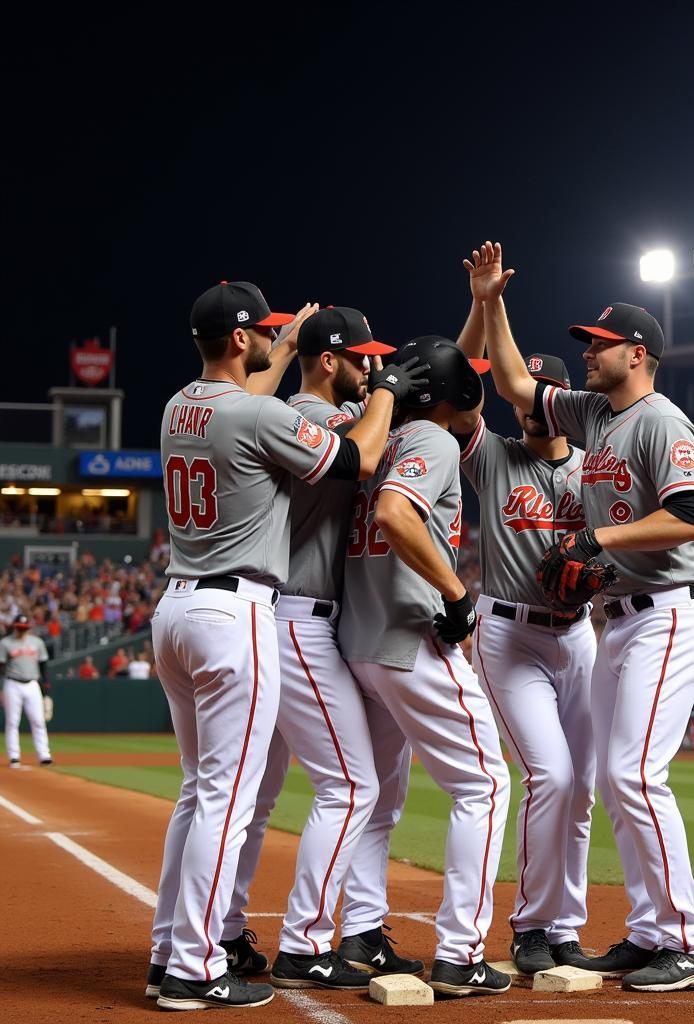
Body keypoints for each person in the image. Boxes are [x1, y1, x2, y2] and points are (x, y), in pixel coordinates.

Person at [147, 281, 411, 1011]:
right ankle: (194, 970)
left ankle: (170, 949)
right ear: (238, 339)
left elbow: (246, 392)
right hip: (237, 614)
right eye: (259, 330)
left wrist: (289, 343)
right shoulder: (261, 413)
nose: (270, 337)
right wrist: (384, 391)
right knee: (228, 804)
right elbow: (355, 459)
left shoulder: (179, 404)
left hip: (175, 606)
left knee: (199, 794)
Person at [483, 256, 694, 993]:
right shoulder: (593, 414)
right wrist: (491, 303)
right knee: (614, 782)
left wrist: (596, 540)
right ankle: (651, 933)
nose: (588, 351)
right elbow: (514, 385)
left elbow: (688, 518)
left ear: (637, 353)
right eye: (587, 343)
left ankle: (689, 940)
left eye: (600, 343)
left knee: (632, 774)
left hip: (667, 617)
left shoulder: (661, 422)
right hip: (616, 622)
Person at [219, 307, 428, 990]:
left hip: (270, 616)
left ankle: (221, 934)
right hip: (297, 620)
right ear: (330, 361)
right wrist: (393, 392)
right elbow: (369, 452)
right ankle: (306, 940)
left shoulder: (272, 413)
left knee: (257, 794)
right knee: (351, 784)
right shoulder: (317, 422)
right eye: (363, 358)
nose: (374, 368)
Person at [340, 337, 513, 997]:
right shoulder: (434, 442)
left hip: (359, 642)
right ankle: (461, 953)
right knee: (485, 786)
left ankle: (359, 930)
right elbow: (393, 513)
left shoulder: (378, 439)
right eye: (469, 382)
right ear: (454, 394)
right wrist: (456, 592)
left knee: (381, 801)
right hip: (411, 639)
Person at [451, 241, 596, 976]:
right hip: (508, 636)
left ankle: (564, 924)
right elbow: (454, 388)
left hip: (580, 640)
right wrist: (487, 300)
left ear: (558, 400)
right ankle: (531, 928)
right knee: (552, 776)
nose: (525, 405)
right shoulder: (491, 456)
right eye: (519, 396)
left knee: (583, 788)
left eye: (536, 395)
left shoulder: (596, 467)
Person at [1, 614, 52, 768]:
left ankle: (44, 754)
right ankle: (14, 756)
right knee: (12, 721)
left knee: (38, 720)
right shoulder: (5, 643)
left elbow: (43, 665)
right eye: (20, 627)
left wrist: (46, 687)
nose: (22, 630)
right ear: (15, 627)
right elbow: (1, 667)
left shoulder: (37, 642)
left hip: (32, 683)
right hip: (12, 683)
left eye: (25, 628)